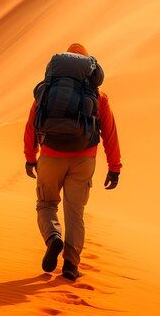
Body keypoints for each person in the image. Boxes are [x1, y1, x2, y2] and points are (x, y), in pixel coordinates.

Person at [23, 43, 122, 280]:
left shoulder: (47, 91)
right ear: (88, 67)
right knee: (75, 212)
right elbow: (109, 133)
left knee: (46, 204)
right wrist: (114, 167)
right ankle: (70, 265)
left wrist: (30, 158)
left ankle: (53, 237)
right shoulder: (98, 97)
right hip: (84, 158)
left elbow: (31, 126)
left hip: (50, 155)